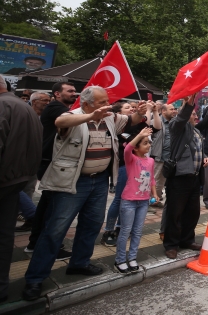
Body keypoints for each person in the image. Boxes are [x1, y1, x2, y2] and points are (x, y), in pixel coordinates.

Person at [22, 86, 147, 301]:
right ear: (87, 103)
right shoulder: (74, 115)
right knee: (55, 229)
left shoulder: (110, 118)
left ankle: (79, 263)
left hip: (99, 181)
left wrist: (141, 112)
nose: (107, 104)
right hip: (73, 182)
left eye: (107, 100)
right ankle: (35, 278)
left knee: (91, 224)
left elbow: (131, 121)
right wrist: (90, 116)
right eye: (101, 102)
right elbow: (60, 123)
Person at [0, 77, 42, 303]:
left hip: (7, 180)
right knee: (5, 236)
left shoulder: (4, 106)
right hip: (17, 180)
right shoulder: (23, 108)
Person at [24, 82, 77, 255]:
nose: (74, 94)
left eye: (75, 91)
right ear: (57, 94)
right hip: (50, 162)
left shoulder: (58, 106)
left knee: (48, 204)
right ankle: (43, 246)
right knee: (53, 206)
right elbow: (74, 119)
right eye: (69, 91)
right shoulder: (56, 108)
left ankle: (36, 243)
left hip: (52, 161)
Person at [101, 100, 160, 247]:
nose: (132, 109)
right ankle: (109, 230)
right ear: (119, 114)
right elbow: (128, 147)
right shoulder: (117, 128)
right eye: (128, 108)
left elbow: (156, 127)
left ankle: (122, 228)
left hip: (138, 168)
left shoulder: (139, 126)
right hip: (123, 166)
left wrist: (152, 110)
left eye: (132, 107)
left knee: (129, 202)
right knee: (119, 199)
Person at [163, 95, 208, 260]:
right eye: (193, 113)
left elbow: (196, 149)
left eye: (196, 113)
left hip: (194, 177)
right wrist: (188, 104)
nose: (196, 116)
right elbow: (182, 117)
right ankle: (171, 244)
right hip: (179, 178)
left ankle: (187, 240)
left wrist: (204, 157)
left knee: (192, 212)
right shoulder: (177, 126)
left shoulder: (195, 130)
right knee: (175, 213)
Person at [114, 127, 158, 274]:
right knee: (125, 231)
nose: (148, 145)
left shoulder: (150, 161)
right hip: (129, 200)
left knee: (138, 231)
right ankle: (120, 259)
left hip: (144, 201)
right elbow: (127, 150)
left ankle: (132, 257)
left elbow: (152, 179)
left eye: (148, 142)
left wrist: (155, 193)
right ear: (136, 147)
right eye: (145, 143)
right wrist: (140, 134)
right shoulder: (131, 159)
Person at [150, 103, 177, 211]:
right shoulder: (156, 122)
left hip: (168, 158)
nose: (174, 111)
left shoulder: (174, 123)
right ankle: (149, 202)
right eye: (171, 109)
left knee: (161, 183)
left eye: (174, 109)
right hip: (158, 157)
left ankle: (156, 200)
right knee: (153, 181)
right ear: (163, 111)